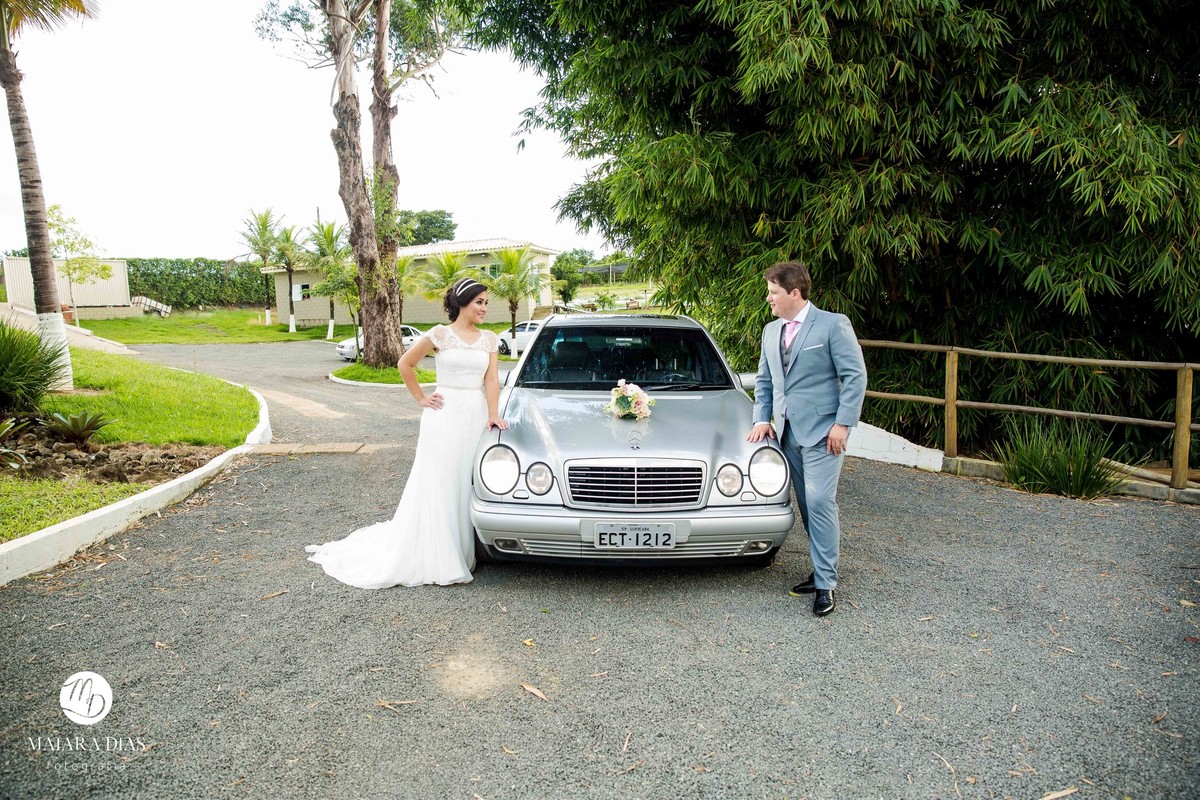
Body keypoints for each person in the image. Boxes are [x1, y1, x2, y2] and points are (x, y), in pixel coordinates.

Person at [305, 278, 508, 588]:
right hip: (444, 415)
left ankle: (470, 546)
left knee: (467, 478)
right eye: (479, 302)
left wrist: (493, 414)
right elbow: (405, 363)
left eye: (486, 302)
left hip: (475, 414)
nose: (484, 308)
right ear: (462, 303)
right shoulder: (439, 334)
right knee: (442, 480)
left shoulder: (489, 339)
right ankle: (441, 554)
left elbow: (491, 380)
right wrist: (421, 398)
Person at [747, 261, 866, 617]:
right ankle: (819, 570)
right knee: (806, 504)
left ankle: (826, 584)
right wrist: (762, 419)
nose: (768, 298)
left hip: (825, 434)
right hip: (787, 434)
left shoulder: (832, 324)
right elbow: (765, 381)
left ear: (794, 293)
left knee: (819, 501)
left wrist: (843, 424)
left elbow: (855, 376)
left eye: (773, 292)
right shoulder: (770, 331)